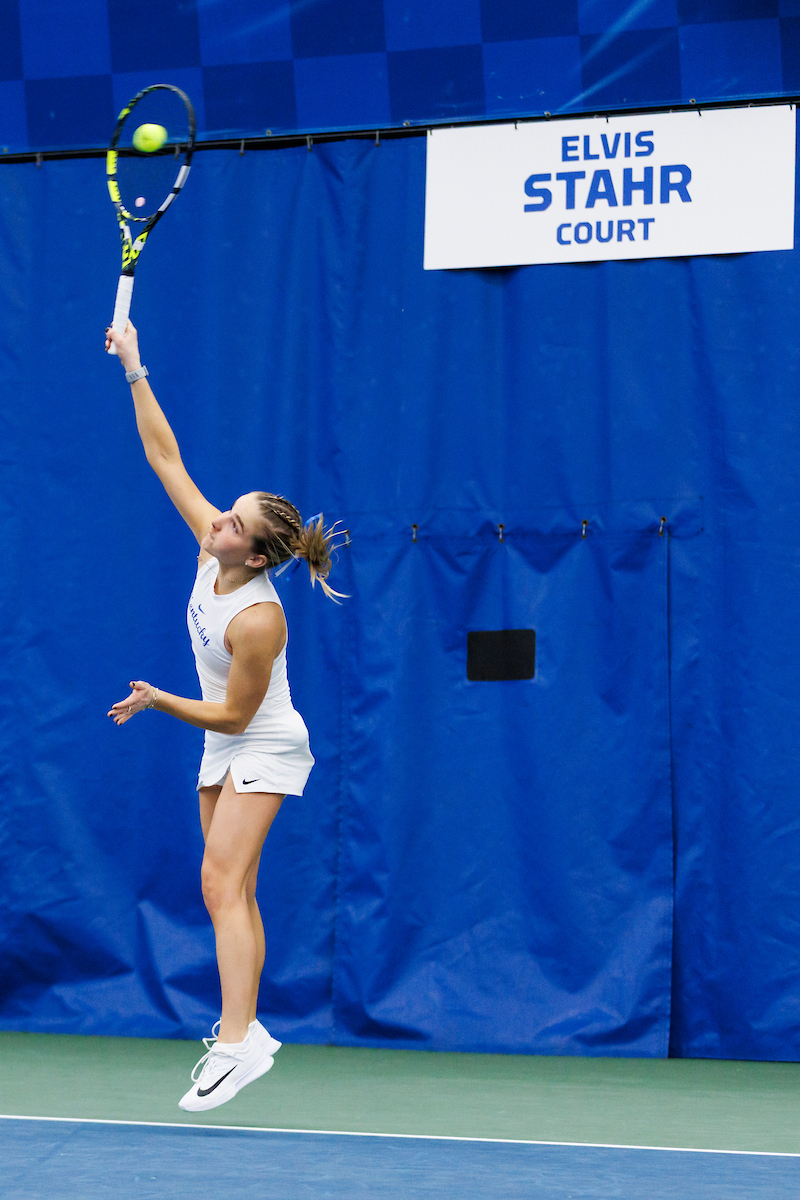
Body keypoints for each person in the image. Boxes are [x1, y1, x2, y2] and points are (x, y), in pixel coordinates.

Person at [105, 320, 343, 1112]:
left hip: (261, 741)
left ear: (259, 557)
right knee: (228, 890)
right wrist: (136, 366)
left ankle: (237, 1044)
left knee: (220, 881)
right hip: (226, 739)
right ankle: (249, 1032)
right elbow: (165, 457)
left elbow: (238, 716)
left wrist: (158, 699)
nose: (218, 522)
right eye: (228, 512)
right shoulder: (216, 549)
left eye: (235, 524)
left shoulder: (261, 620)